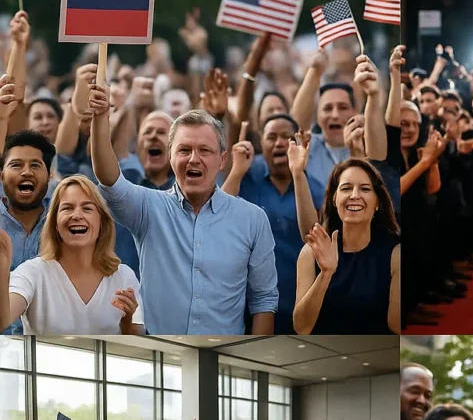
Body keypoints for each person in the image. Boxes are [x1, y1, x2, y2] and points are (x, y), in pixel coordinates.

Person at [88, 86, 279, 335]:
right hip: (159, 358)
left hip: (225, 359)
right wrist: (100, 119)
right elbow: (109, 179)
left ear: (222, 161)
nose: (193, 159)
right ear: (171, 157)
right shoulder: (148, 208)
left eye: (204, 151)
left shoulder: (253, 219)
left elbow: (263, 301)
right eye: (184, 150)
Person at [0, 173, 142, 335]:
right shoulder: (32, 273)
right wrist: (2, 267)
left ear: (101, 222)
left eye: (87, 208)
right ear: (54, 223)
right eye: (67, 208)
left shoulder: (123, 276)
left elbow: (142, 341)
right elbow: (3, 320)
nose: (77, 215)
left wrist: (127, 322)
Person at [222, 115, 325, 335]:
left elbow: (313, 238)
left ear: (298, 143)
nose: (279, 143)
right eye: (271, 137)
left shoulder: (315, 189)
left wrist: (298, 173)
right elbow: (214, 220)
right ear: (262, 143)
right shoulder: (247, 180)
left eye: (286, 137)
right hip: (246, 304)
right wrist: (237, 171)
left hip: (297, 298)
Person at [293, 158, 400, 335]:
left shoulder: (394, 254)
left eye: (365, 189)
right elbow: (301, 328)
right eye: (346, 188)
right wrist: (326, 274)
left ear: (377, 202)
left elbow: (396, 326)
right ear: (335, 199)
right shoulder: (311, 252)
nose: (354, 195)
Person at [0, 128, 54, 335]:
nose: (26, 172)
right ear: (1, 175)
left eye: (35, 165)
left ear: (49, 175)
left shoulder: (64, 221)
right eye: (16, 165)